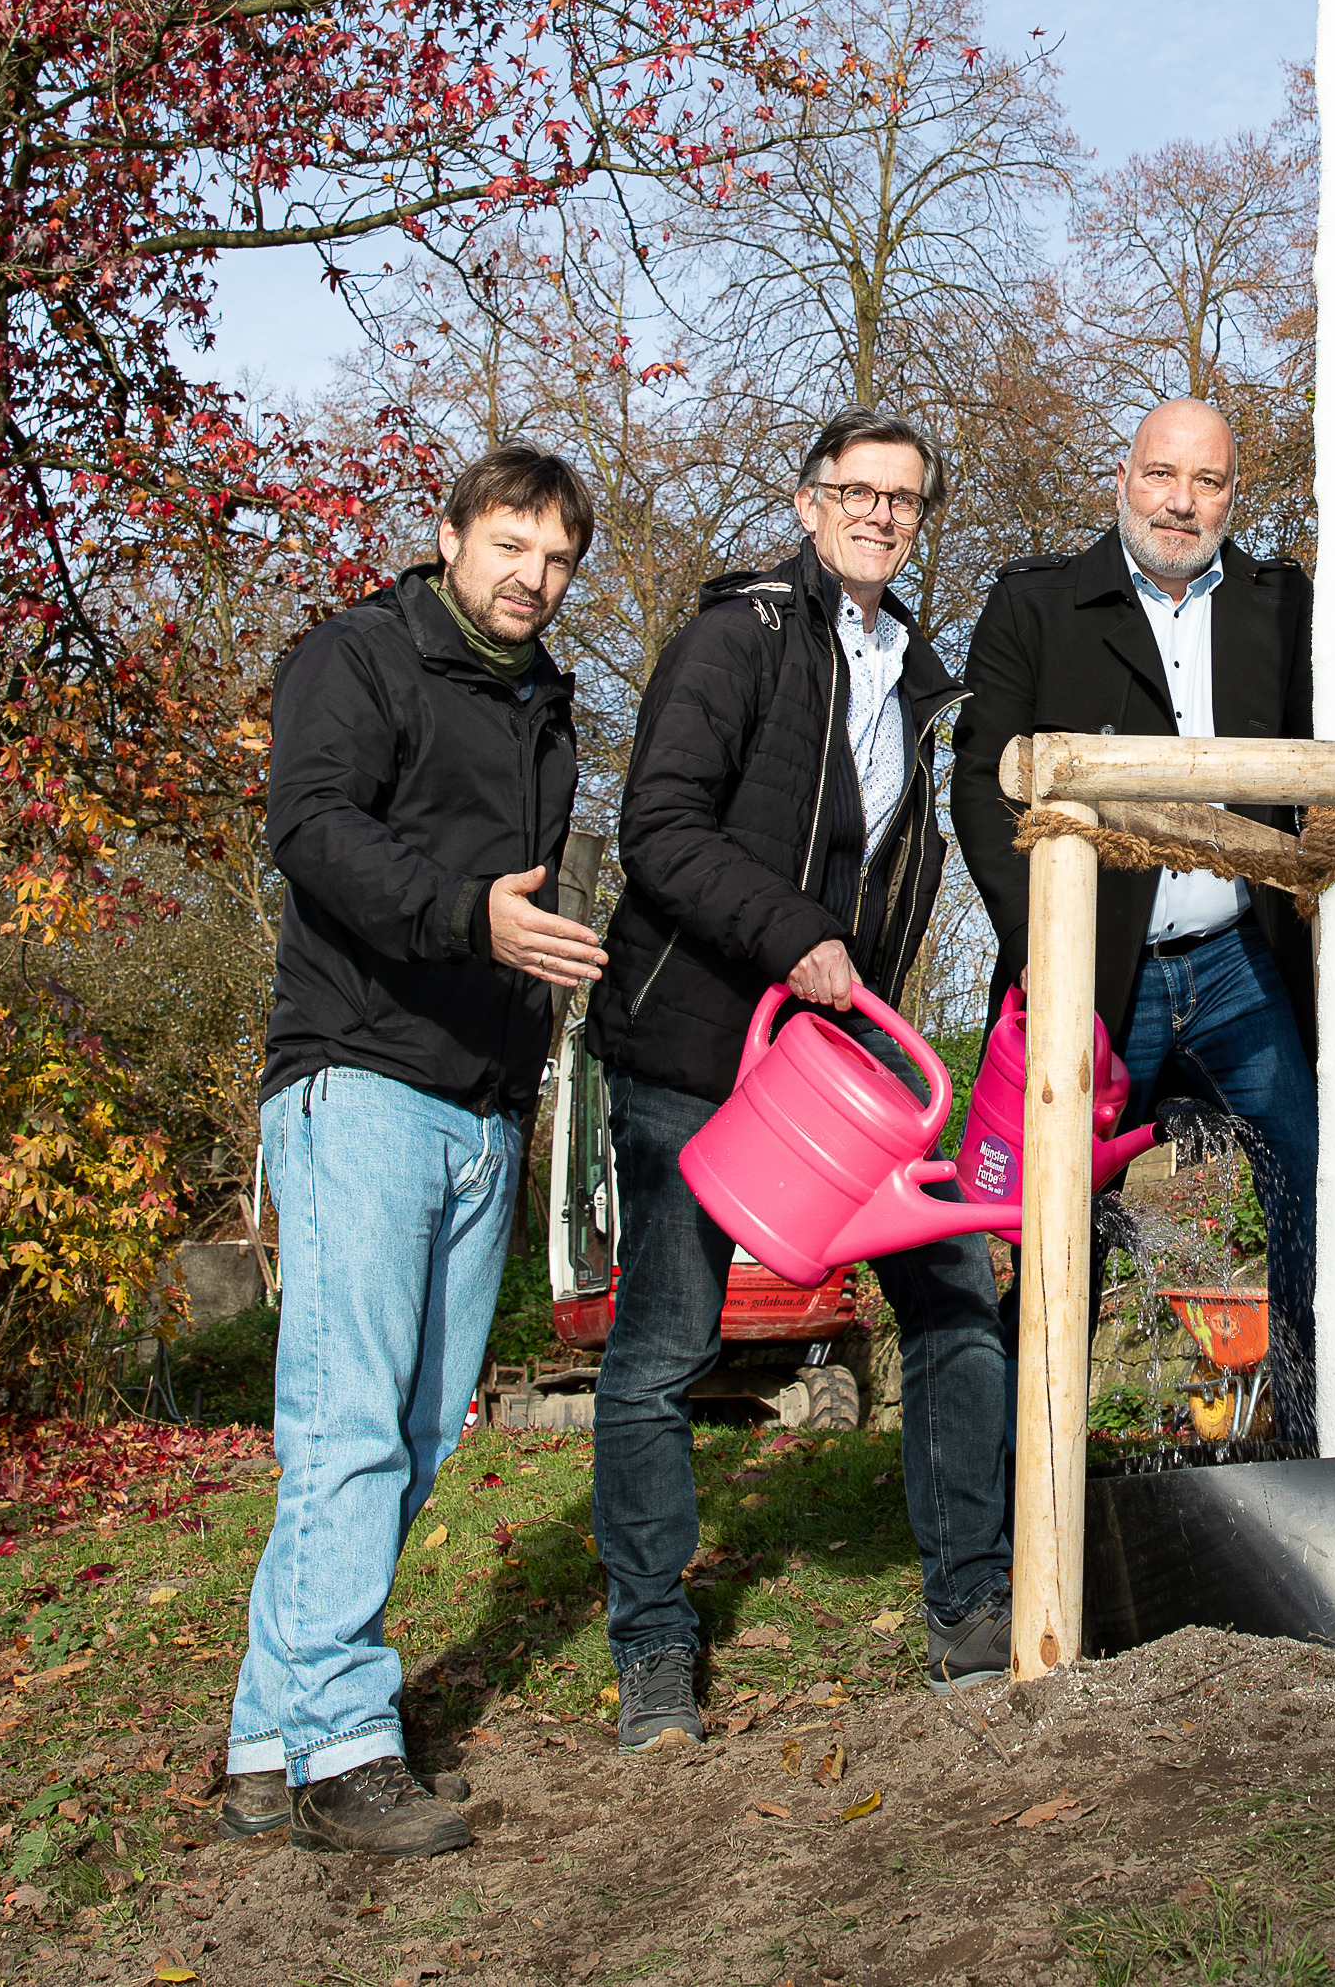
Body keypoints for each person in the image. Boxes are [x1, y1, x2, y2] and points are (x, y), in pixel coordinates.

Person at [587, 410, 1010, 1740]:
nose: (881, 513)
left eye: (905, 498)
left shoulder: (923, 678)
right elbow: (655, 824)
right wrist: (792, 934)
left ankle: (972, 1611)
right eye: (858, 490)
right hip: (694, 1050)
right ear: (810, 499)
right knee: (664, 1347)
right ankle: (653, 1649)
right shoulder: (743, 634)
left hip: (828, 1073)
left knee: (952, 1303)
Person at [225, 446, 607, 1858]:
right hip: (358, 1076)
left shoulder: (545, 701)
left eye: (558, 559)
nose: (531, 577)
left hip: (484, 1096)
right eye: (510, 543)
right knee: (346, 1423)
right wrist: (470, 919)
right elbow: (311, 831)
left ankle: (270, 1735)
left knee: (408, 1432)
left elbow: (525, 907)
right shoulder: (356, 655)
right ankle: (346, 1744)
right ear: (449, 534)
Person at [949, 397, 1321, 1451]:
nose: (1181, 501)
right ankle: (1037, 1478)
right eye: (1162, 475)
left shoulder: (1282, 604)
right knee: (1058, 1224)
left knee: (1313, 1183)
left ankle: (1305, 1443)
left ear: (1231, 497)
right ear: (1121, 480)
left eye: (1207, 483)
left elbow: (1325, 785)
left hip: (1247, 966)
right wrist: (1044, 951)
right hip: (1097, 975)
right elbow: (982, 787)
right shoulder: (1037, 607)